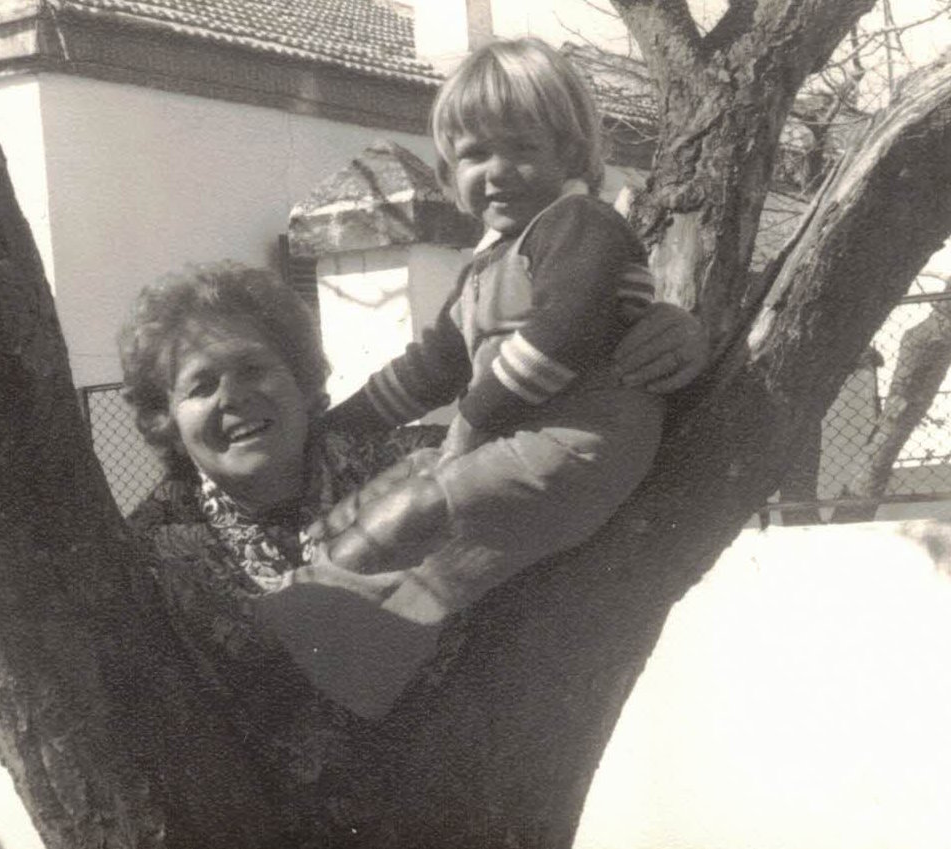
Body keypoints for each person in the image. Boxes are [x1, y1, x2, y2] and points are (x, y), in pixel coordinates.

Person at [120, 262, 703, 781]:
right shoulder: (147, 559)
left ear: (300, 380)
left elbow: (584, 455)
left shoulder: (419, 464)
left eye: (253, 367)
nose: (234, 396)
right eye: (201, 385)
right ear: (166, 420)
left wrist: (667, 347)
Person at [302, 37, 673, 643]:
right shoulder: (486, 266)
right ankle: (354, 617)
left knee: (422, 504)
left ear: (571, 154)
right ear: (450, 174)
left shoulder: (580, 227)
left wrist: (474, 417)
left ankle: (320, 606)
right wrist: (343, 424)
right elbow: (430, 367)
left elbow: (563, 334)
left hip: (579, 442)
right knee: (404, 481)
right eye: (475, 155)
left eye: (523, 148)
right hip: (522, 441)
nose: (497, 171)